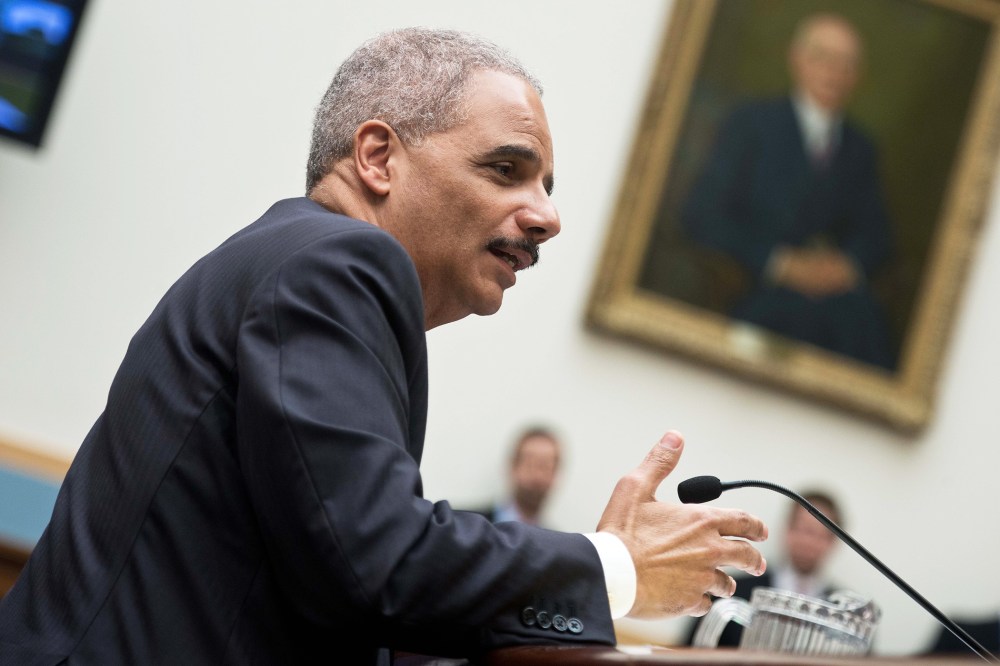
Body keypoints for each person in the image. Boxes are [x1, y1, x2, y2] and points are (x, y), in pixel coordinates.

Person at [0, 28, 769, 664]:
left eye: (549, 187)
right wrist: (614, 569)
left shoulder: (301, 262)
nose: (546, 217)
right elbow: (380, 562)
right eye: (507, 169)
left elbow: (327, 586)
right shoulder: (332, 264)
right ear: (376, 158)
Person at [681, 13, 896, 370]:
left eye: (846, 64)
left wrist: (846, 266)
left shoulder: (861, 150)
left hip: (839, 307)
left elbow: (877, 235)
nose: (834, 72)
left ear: (857, 76)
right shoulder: (750, 125)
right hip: (756, 289)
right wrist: (781, 264)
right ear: (798, 59)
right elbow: (703, 215)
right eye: (823, 57)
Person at [686, 491, 843, 647]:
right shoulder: (731, 591)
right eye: (804, 529)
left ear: (833, 542)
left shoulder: (843, 614)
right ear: (787, 529)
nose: (808, 541)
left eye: (820, 534)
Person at [468, 426, 562, 526]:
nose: (538, 476)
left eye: (546, 467)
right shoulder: (468, 526)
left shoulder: (556, 540)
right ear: (512, 466)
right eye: (530, 465)